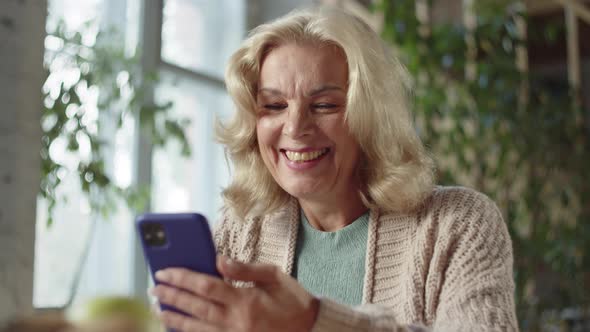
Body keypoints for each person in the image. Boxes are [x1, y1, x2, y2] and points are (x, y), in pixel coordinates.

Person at [150, 6, 518, 332]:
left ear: (369, 117)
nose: (295, 128)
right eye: (274, 105)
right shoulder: (239, 231)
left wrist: (314, 321)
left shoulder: (459, 225)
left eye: (324, 105)